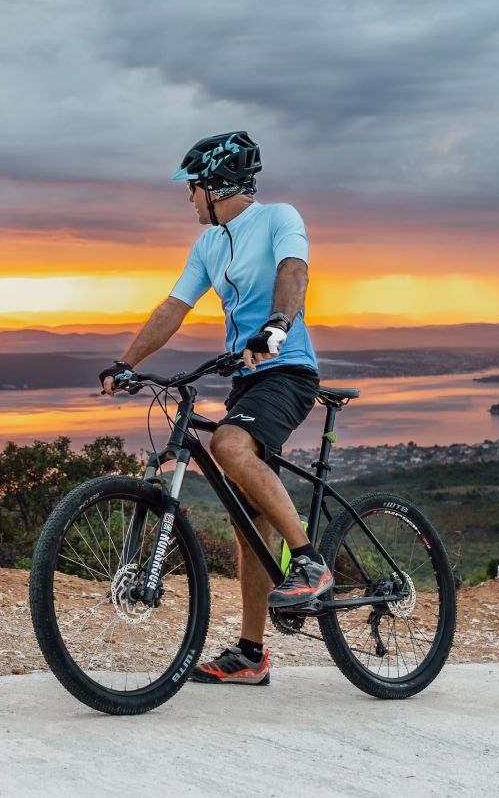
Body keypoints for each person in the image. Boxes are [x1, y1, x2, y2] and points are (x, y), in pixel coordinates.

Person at [98, 131, 332, 687]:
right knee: (247, 521)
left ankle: (309, 563)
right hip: (247, 378)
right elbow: (174, 307)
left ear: (218, 184)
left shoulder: (278, 218)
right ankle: (252, 655)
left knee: (228, 445)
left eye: (192, 187)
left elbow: (293, 272)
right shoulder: (207, 246)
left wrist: (277, 325)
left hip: (287, 369)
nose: (188, 199)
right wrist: (125, 362)